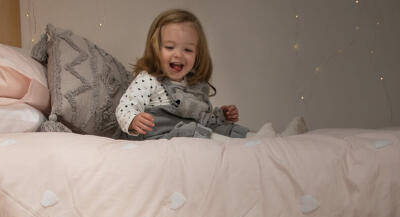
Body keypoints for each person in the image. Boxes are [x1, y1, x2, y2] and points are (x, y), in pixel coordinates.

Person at [115, 9, 306, 141]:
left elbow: (204, 121)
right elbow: (125, 107)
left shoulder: (194, 87)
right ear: (155, 49)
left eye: (187, 50)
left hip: (197, 135)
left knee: (221, 130)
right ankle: (263, 142)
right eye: (170, 47)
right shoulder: (148, 80)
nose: (178, 54)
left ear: (198, 55)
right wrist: (132, 120)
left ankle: (275, 139)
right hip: (167, 138)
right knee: (196, 132)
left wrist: (220, 116)